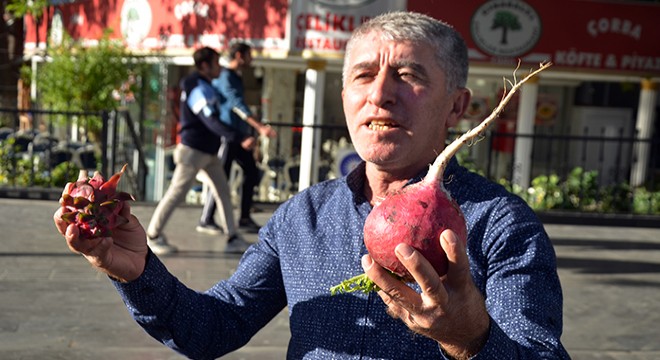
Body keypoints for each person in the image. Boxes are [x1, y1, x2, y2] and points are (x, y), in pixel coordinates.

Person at [53, 11, 570, 359]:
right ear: (344, 95)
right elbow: (214, 326)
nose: (381, 95)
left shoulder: (501, 224)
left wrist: (470, 337)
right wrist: (137, 272)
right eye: (364, 76)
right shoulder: (304, 216)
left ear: (457, 106)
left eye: (409, 75)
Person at [145, 46, 250, 255]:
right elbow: (210, 120)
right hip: (193, 152)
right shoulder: (197, 88)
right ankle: (152, 236)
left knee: (223, 192)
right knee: (176, 193)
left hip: (207, 152)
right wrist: (239, 137)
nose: (219, 66)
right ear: (204, 65)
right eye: (216, 62)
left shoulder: (203, 85)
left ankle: (232, 237)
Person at [196, 41, 277, 235]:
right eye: (249, 55)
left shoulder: (234, 77)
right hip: (228, 137)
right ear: (240, 56)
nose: (252, 59)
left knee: (251, 173)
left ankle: (244, 218)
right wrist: (259, 128)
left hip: (239, 137)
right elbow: (236, 105)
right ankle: (206, 219)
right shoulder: (225, 77)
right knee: (219, 178)